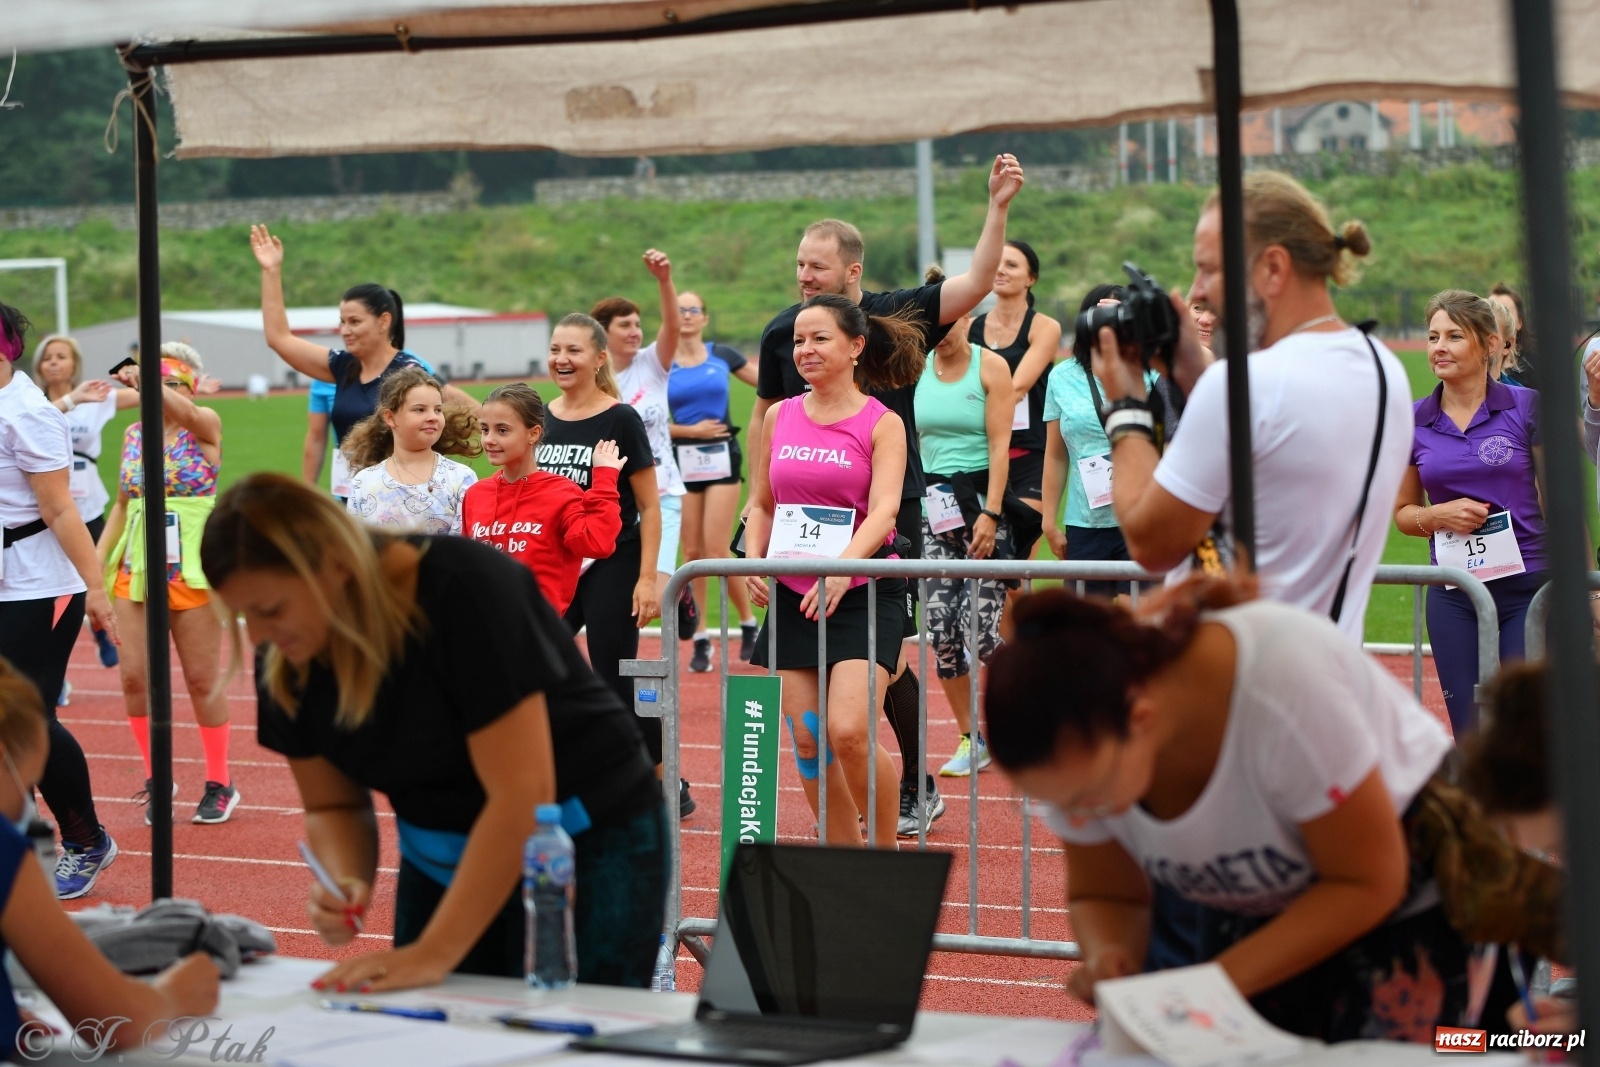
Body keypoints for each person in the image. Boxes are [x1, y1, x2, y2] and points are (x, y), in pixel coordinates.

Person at [985, 580, 1534, 1042]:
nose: (1083, 816)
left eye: (1090, 797)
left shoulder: (1280, 684)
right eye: (1058, 805)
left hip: (1416, 901)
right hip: (1267, 909)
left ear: (1142, 719)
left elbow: (1367, 881)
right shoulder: (1082, 753)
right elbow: (1105, 893)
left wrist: (1205, 988)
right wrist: (1109, 953)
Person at [201, 474, 666, 991]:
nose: (259, 636)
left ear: (335, 565)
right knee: (431, 1021)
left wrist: (434, 953)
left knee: (587, 1022)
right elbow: (333, 805)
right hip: (441, 854)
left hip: (585, 840)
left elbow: (520, 796)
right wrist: (345, 879)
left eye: (270, 610)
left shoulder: (465, 585)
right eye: (243, 616)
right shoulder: (286, 657)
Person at [747, 154, 1026, 824]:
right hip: (802, 518)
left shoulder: (891, 313)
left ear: (852, 271)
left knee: (878, 668)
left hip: (884, 510)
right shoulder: (786, 330)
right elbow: (765, 422)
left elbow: (976, 283)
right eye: (799, 265)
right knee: (849, 695)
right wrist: (753, 530)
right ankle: (882, 805)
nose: (804, 277)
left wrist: (996, 208)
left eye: (817, 267)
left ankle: (909, 790)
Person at [1096, 170, 1412, 642]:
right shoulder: (1385, 369)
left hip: (1236, 672)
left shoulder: (1242, 386)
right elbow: (1274, 456)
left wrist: (1126, 404)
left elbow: (1150, 543)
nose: (1197, 291)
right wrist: (1194, 375)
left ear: (1273, 268)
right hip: (1325, 662)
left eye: (1209, 269)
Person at [744, 294, 921, 847]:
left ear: (855, 347)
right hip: (794, 594)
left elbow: (885, 511)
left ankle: (885, 858)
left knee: (848, 732)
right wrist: (751, 560)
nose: (806, 349)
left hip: (864, 590)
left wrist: (842, 569)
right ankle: (844, 863)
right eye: (799, 340)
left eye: (820, 338)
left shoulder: (882, 423)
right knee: (807, 740)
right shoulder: (779, 415)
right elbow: (762, 503)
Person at [0, 655, 221, 1053]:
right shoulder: (6, 847)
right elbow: (115, 1022)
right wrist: (176, 994)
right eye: (26, 783)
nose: (25, 808)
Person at [0, 302, 119, 899]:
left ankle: (86, 839)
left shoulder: (28, 412)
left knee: (28, 716)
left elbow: (60, 509)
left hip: (39, 585)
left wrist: (95, 589)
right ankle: (21, 837)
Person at [1392, 290, 1546, 737]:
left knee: (1524, 729)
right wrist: (1438, 516)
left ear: (1490, 344)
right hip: (1454, 593)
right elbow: (1402, 513)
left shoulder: (1526, 407)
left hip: (1529, 591)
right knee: (1471, 732)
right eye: (1432, 336)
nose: (1438, 347)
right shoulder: (1413, 420)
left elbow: (1561, 506)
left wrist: (1589, 596)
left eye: (1454, 336)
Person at [98, 344, 238, 827]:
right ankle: (157, 778)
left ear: (190, 388)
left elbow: (189, 412)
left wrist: (145, 378)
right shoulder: (134, 434)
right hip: (137, 567)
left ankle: (220, 781)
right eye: (156, 382)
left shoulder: (205, 425)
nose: (161, 391)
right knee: (134, 678)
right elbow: (122, 504)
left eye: (173, 383)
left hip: (192, 568)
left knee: (201, 679)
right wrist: (93, 569)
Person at [539, 315, 674, 811]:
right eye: (555, 349)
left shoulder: (620, 419)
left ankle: (662, 783)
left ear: (599, 359)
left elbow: (651, 506)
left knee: (617, 676)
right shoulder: (543, 417)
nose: (561, 359)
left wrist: (647, 578)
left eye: (573, 350)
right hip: (560, 562)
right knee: (537, 664)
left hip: (614, 559)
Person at [249, 224, 475, 450]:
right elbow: (279, 339)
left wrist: (494, 429)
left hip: (396, 474)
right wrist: (271, 271)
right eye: (342, 322)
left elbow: (463, 405)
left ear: (383, 322)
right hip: (346, 474)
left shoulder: (408, 370)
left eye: (355, 322)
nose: (345, 330)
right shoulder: (342, 366)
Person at [913, 297, 1013, 794]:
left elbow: (1000, 445)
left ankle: (1034, 694)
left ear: (969, 318)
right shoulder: (915, 369)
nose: (944, 332)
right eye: (935, 324)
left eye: (952, 322)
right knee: (941, 629)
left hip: (981, 506)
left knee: (980, 628)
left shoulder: (990, 367)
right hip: (933, 508)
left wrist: (991, 514)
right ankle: (971, 738)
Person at [463, 383, 623, 616]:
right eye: (485, 429)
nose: (489, 439)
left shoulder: (561, 493)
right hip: (484, 627)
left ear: (533, 433)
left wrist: (605, 478)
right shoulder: (476, 494)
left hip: (537, 628)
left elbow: (597, 543)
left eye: (502, 430)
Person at [1041, 285, 1160, 601]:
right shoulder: (1062, 377)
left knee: (1141, 620)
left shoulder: (1152, 372)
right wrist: (1049, 521)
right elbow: (1055, 455)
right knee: (1089, 624)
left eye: (1119, 316)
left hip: (1141, 517)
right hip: (1086, 523)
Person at [591, 250, 683, 636]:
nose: (634, 331)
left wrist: (664, 280)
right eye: (625, 325)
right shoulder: (592, 378)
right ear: (602, 333)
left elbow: (673, 327)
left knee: (655, 600)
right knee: (622, 597)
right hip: (616, 499)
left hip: (662, 493)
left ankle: (682, 599)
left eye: (637, 324)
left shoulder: (652, 364)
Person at [32, 334, 136, 669]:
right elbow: (29, 423)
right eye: (47, 357)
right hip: (45, 504)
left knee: (96, 571)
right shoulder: (29, 401)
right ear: (38, 366)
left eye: (61, 356)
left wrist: (131, 369)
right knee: (49, 581)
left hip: (87, 502)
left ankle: (100, 628)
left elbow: (149, 393)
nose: (53, 362)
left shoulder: (95, 398)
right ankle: (50, 662)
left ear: (75, 364)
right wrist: (70, 400)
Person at [669, 290, 761, 671]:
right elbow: (646, 421)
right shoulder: (662, 363)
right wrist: (691, 431)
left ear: (705, 318)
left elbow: (771, 385)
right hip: (682, 462)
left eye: (694, 309)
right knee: (692, 553)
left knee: (716, 549)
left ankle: (748, 624)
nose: (687, 315)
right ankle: (702, 638)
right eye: (680, 310)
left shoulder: (722, 355)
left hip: (722, 458)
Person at [968, 239, 1062, 514]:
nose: (1000, 270)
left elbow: (1017, 388)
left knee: (1022, 540)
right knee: (978, 541)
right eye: (996, 264)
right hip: (977, 453)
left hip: (1029, 452)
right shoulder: (970, 328)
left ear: (1030, 278)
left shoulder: (1045, 327)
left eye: (1011, 265)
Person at [341, 367, 480, 536]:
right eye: (420, 409)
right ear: (390, 417)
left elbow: (465, 545)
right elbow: (357, 544)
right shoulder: (363, 482)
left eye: (438, 409)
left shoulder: (461, 478)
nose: (433, 417)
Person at [1489, 283, 1535, 391]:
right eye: (1490, 312)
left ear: (1519, 322)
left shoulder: (1535, 367)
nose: (1497, 319)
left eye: (1506, 312)